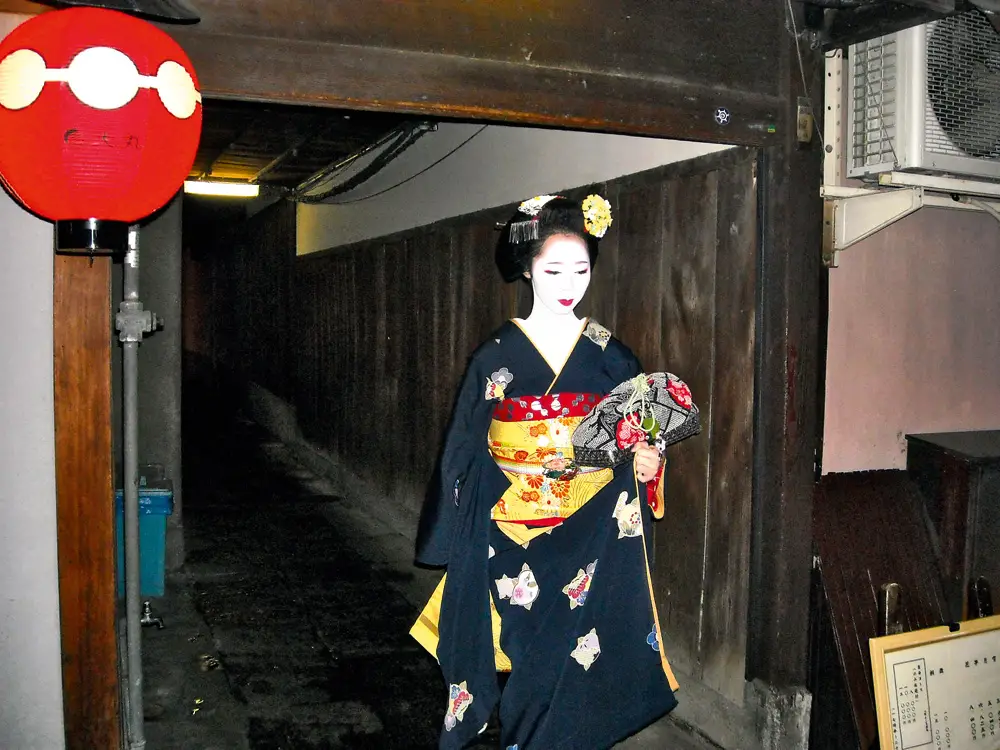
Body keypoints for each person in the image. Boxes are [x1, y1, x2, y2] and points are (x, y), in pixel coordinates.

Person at [411, 193, 678, 750]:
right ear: (527, 270)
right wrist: (455, 531)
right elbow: (463, 444)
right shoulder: (496, 354)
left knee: (575, 663)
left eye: (580, 269)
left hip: (591, 532)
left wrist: (648, 463)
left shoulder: (611, 355)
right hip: (513, 528)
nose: (568, 283)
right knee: (531, 655)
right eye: (553, 269)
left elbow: (638, 437)